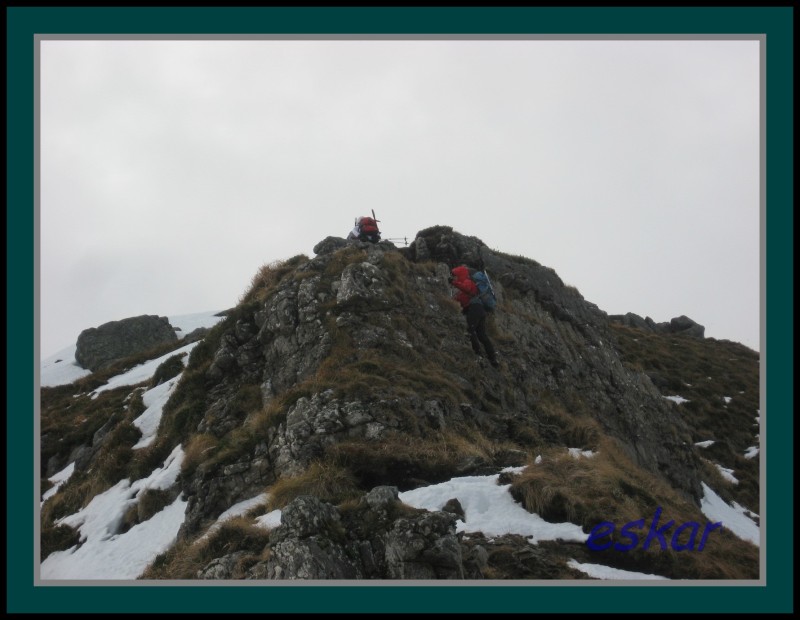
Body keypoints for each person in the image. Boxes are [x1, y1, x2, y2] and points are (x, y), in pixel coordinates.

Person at [449, 265, 499, 368]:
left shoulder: (467, 282)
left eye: (455, 275)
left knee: (470, 329)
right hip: (479, 310)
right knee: (481, 335)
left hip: (475, 308)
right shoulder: (463, 285)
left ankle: (477, 353)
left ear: (459, 274)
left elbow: (467, 289)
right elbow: (461, 299)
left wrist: (454, 283)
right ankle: (493, 359)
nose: (454, 278)